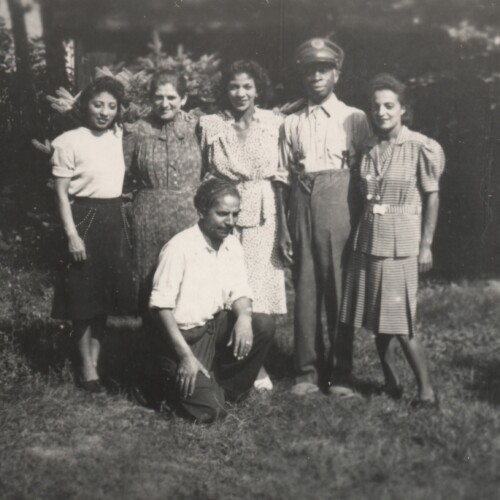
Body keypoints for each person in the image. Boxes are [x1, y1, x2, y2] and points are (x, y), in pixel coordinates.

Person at [340, 74, 443, 406]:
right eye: (376, 106)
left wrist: (426, 244)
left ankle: (427, 392)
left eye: (389, 106)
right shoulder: (369, 148)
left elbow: (432, 197)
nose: (382, 112)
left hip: (401, 243)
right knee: (375, 316)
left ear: (403, 109)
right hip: (369, 239)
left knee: (401, 321)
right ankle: (391, 382)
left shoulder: (419, 146)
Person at [277, 38, 372, 396]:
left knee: (338, 288)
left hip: (340, 200)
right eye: (309, 70)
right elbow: (282, 177)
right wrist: (284, 227)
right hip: (300, 200)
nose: (316, 76)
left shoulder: (355, 118)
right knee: (305, 287)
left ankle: (341, 373)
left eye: (323, 69)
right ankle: (305, 372)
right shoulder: (291, 123)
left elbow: (368, 170)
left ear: (337, 73)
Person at [149, 178, 275, 423]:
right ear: (201, 211)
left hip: (212, 331)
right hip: (178, 341)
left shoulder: (232, 244)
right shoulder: (180, 248)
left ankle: (226, 389)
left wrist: (245, 318)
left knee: (263, 325)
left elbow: (240, 290)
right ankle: (167, 385)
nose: (231, 222)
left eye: (235, 214)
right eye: (222, 214)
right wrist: (185, 356)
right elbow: (160, 308)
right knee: (213, 413)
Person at [197, 60, 287, 391]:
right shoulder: (210, 124)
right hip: (225, 214)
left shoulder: (275, 123)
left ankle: (256, 362)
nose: (241, 93)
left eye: (247, 86)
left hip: (264, 215)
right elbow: (202, 170)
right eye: (234, 86)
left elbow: (280, 179)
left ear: (257, 89)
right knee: (225, 285)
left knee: (259, 287)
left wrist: (285, 230)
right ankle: (220, 356)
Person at [51, 76, 135, 393]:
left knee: (103, 297)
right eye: (97, 104)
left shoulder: (119, 137)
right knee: (82, 298)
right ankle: (85, 369)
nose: (104, 112)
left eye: (111, 106)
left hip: (113, 218)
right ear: (85, 104)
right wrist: (72, 234)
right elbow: (60, 195)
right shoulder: (68, 141)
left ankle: (95, 363)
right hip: (84, 218)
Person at [124, 70, 201, 313]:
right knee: (150, 280)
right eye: (158, 97)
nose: (165, 104)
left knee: (188, 280)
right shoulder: (136, 131)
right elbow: (119, 173)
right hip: (147, 218)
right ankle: (151, 346)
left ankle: (191, 343)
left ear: (184, 99)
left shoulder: (196, 127)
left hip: (189, 216)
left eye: (172, 97)